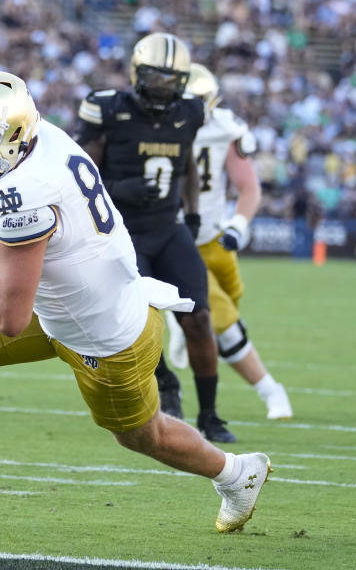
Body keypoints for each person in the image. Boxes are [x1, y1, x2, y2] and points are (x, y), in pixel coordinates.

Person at [0, 71, 271, 533]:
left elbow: (7, 316)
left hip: (104, 335)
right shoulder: (44, 138)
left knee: (144, 436)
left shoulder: (27, 195)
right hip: (60, 303)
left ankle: (237, 474)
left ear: (9, 134)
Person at [75, 32, 235, 442]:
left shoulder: (190, 112)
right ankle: (165, 379)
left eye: (172, 79)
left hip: (167, 229)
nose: (164, 86)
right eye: (156, 77)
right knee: (140, 320)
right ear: (136, 73)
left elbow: (187, 166)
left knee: (199, 318)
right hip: (121, 234)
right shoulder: (108, 109)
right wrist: (121, 189)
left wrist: (194, 212)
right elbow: (79, 175)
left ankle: (211, 415)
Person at [164, 63, 292, 420]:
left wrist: (239, 223)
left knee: (231, 308)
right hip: (177, 240)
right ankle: (271, 391)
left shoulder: (225, 128)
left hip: (216, 239)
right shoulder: (158, 128)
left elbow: (249, 188)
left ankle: (180, 323)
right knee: (222, 321)